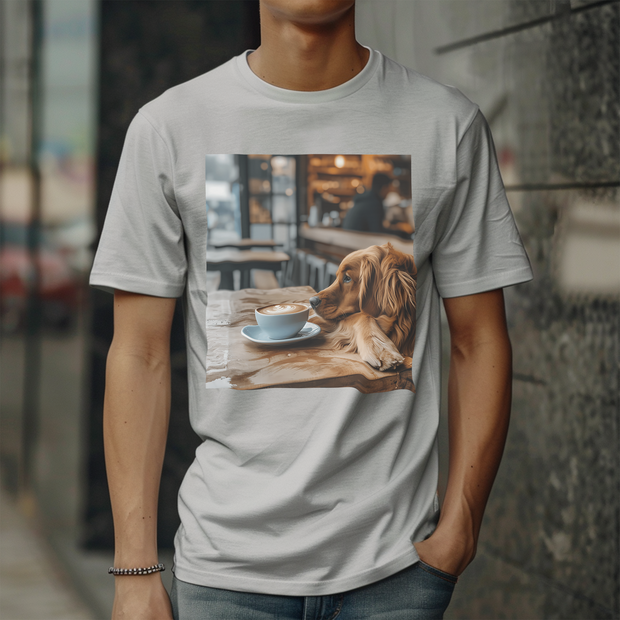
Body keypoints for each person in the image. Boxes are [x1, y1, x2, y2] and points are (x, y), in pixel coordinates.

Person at [89, 1, 534, 619]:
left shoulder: (445, 124)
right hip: (226, 574)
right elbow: (137, 354)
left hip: (397, 574)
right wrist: (134, 570)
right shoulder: (171, 127)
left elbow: (479, 341)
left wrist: (459, 525)